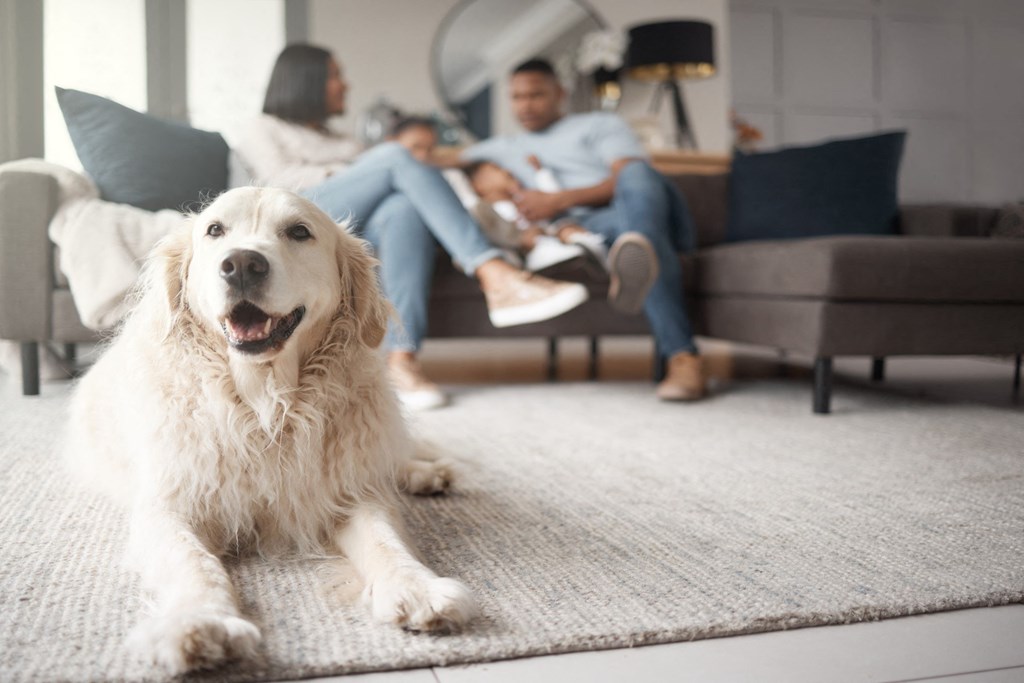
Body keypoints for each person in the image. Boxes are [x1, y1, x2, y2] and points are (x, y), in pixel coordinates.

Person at [235, 45, 588, 411]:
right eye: (336, 76)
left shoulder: (344, 141)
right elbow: (278, 187)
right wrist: (365, 172)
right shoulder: (263, 129)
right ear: (307, 81)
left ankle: (401, 358)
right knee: (395, 159)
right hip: (295, 224)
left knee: (403, 209)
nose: (345, 85)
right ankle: (494, 272)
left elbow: (376, 185)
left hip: (344, 231)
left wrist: (369, 172)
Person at [461, 58, 705, 401]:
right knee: (641, 242)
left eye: (536, 95)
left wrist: (557, 200)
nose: (525, 105)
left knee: (638, 178)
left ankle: (636, 253)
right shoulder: (500, 149)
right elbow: (435, 163)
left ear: (560, 93)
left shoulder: (599, 125)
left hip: (629, 212)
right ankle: (681, 355)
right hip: (581, 231)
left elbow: (626, 175)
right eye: (516, 97)